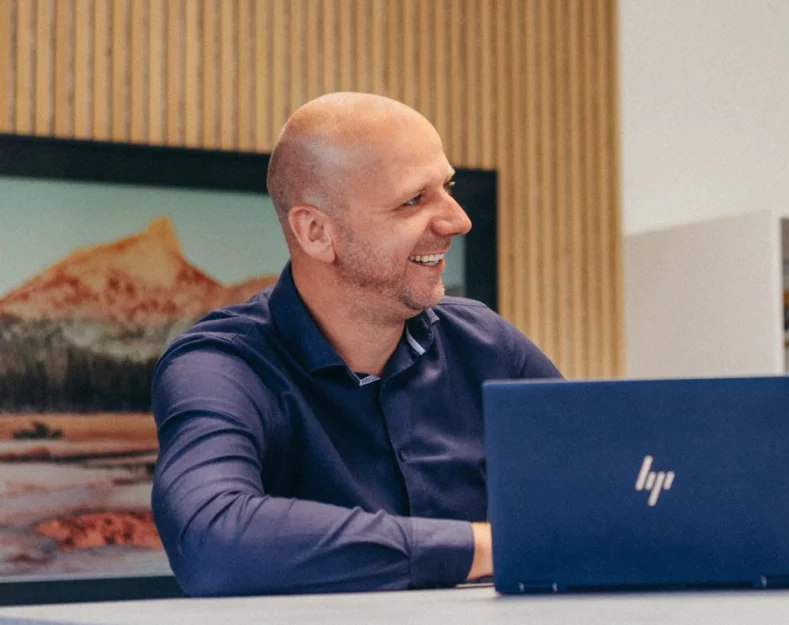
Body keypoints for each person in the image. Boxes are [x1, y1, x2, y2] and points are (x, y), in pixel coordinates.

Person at [151, 93, 561, 596]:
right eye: (414, 200)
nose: (458, 221)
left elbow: (610, 487)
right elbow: (211, 541)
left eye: (447, 187)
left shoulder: (487, 344)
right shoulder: (220, 366)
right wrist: (483, 547)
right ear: (316, 232)